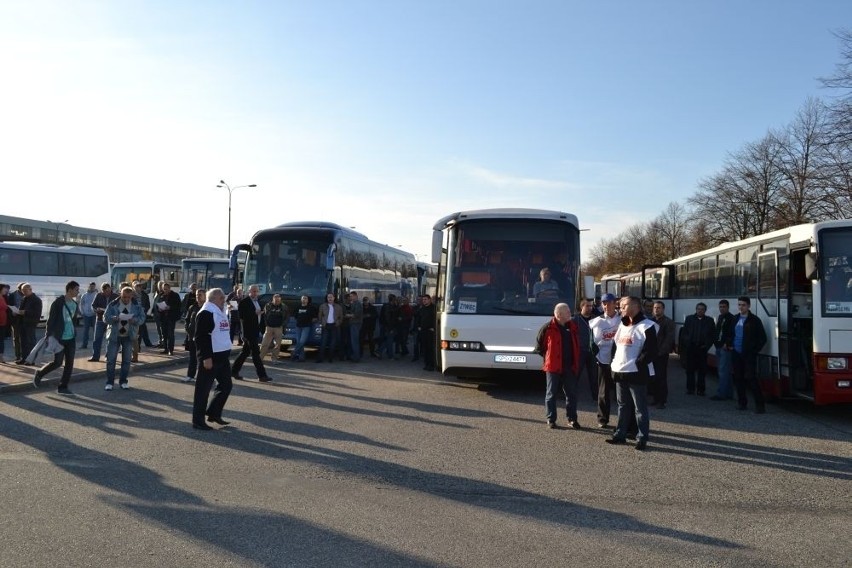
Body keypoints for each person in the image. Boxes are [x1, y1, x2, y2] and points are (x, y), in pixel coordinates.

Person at [605, 296, 657, 451]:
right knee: (622, 405)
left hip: (636, 373)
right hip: (620, 371)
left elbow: (651, 350)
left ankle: (642, 437)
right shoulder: (622, 324)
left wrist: (638, 363)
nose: (620, 309)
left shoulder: (647, 326)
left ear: (635, 305)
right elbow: (616, 346)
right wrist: (614, 362)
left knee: (639, 407)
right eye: (620, 306)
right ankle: (620, 434)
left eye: (623, 305)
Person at [192, 288, 234, 430]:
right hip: (211, 357)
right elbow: (201, 337)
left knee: (226, 385)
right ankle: (198, 421)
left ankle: (214, 413)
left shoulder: (219, 311)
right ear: (214, 299)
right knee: (203, 390)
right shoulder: (206, 312)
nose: (224, 301)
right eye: (222, 298)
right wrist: (205, 357)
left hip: (222, 356)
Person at [536, 303, 582, 429]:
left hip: (569, 366)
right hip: (553, 367)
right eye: (567, 312)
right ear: (559, 315)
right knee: (551, 394)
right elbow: (540, 347)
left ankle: (572, 419)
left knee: (571, 394)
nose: (570, 313)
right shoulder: (547, 328)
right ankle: (551, 419)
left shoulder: (573, 327)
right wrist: (549, 359)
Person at [32, 281, 80, 395]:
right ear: (70, 290)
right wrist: (48, 335)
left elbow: (73, 320)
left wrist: (74, 331)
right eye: (76, 290)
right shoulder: (58, 303)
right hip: (59, 337)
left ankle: (63, 387)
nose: (78, 292)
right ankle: (40, 373)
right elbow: (51, 320)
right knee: (57, 362)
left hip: (71, 338)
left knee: (70, 363)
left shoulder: (74, 304)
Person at [103, 285, 147, 390]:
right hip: (114, 335)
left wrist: (135, 320)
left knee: (127, 360)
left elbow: (142, 318)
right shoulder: (113, 304)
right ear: (120, 295)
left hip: (128, 336)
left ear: (132, 296)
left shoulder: (137, 306)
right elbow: (105, 318)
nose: (126, 299)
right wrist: (113, 318)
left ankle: (123, 381)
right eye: (124, 297)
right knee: (111, 360)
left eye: (128, 297)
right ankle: (110, 382)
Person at [732, 296, 768, 413]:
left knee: (751, 378)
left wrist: (754, 350)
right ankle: (742, 403)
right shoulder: (735, 318)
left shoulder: (754, 320)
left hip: (748, 354)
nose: (741, 307)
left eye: (743, 305)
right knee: (738, 378)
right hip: (736, 353)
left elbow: (762, 338)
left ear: (748, 306)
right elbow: (730, 333)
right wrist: (728, 344)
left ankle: (760, 405)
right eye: (739, 305)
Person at [589, 293, 621, 428]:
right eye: (604, 303)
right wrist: (596, 356)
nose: (607, 306)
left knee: (621, 394)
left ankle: (624, 422)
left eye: (609, 303)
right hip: (603, 360)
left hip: (620, 361)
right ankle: (603, 419)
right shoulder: (597, 321)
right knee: (603, 392)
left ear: (615, 303)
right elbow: (591, 343)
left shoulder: (623, 319)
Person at [232, 284, 271, 381]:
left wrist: (262, 327)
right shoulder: (244, 302)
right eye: (253, 291)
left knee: (245, 352)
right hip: (248, 332)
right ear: (249, 291)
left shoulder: (258, 302)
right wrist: (254, 314)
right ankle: (262, 375)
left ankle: (233, 371)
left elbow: (260, 317)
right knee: (255, 353)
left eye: (257, 291)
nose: (255, 293)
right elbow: (241, 317)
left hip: (255, 330)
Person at [681, 302, 716, 396]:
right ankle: (690, 389)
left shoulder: (709, 320)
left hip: (702, 348)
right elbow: (684, 332)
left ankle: (701, 390)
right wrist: (687, 342)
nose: (700, 311)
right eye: (698, 309)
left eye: (702, 309)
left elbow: (713, 335)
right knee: (690, 369)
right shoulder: (689, 319)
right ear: (696, 309)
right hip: (691, 347)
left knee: (702, 370)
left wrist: (707, 345)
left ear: (705, 311)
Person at [710, 299, 737, 401]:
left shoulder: (732, 318)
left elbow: (732, 333)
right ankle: (728, 393)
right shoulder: (720, 317)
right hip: (719, 346)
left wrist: (727, 344)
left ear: (728, 307)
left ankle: (721, 394)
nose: (722, 309)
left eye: (724, 307)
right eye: (720, 307)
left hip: (725, 348)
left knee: (723, 371)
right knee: (726, 372)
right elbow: (717, 331)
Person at [651, 301, 675, 409]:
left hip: (661, 355)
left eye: (659, 308)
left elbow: (668, 340)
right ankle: (655, 399)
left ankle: (662, 400)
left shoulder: (668, 322)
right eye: (655, 307)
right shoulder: (649, 322)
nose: (657, 309)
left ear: (663, 309)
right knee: (653, 377)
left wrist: (660, 352)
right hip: (651, 354)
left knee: (661, 377)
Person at [573, 299, 597, 401]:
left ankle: (596, 396)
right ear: (581, 307)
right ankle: (571, 394)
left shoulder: (596, 319)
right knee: (576, 373)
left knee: (594, 375)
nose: (590, 308)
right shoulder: (575, 320)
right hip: (580, 350)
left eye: (591, 306)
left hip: (592, 351)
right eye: (587, 306)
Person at [89, 282, 117, 362]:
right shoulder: (98, 295)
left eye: (109, 290)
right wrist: (96, 309)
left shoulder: (115, 296)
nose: (108, 293)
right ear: (102, 291)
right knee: (97, 339)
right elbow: (93, 305)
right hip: (100, 319)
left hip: (110, 320)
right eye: (106, 291)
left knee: (109, 339)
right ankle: (95, 356)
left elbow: (118, 307)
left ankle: (108, 356)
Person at [183, 288, 206, 383]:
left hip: (203, 338)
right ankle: (190, 375)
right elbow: (187, 320)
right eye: (197, 295)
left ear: (205, 296)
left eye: (200, 294)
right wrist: (188, 330)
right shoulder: (192, 307)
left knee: (203, 358)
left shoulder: (208, 307)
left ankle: (205, 377)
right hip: (192, 336)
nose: (198, 296)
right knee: (192, 357)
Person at [16, 283, 42, 366]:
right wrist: (17, 312)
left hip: (30, 323)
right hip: (22, 322)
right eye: (22, 291)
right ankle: (24, 359)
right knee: (23, 342)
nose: (24, 292)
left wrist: (25, 312)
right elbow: (21, 309)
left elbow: (37, 313)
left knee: (30, 342)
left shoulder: (36, 300)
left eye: (25, 291)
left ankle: (32, 360)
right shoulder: (24, 298)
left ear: (30, 290)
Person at [259, 293, 289, 363]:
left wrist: (282, 325)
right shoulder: (268, 305)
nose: (277, 301)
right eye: (275, 300)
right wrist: (266, 324)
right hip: (269, 327)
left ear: (280, 300)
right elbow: (265, 316)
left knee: (277, 345)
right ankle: (260, 358)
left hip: (278, 328)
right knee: (264, 344)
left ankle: (274, 359)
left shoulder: (284, 307)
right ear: (273, 299)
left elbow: (287, 317)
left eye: (278, 300)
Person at [155, 283, 182, 355]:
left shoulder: (175, 295)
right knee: (164, 334)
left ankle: (171, 350)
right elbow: (157, 305)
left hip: (171, 317)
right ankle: (165, 349)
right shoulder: (161, 295)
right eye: (164, 289)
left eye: (166, 289)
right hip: (163, 317)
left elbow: (178, 306)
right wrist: (159, 309)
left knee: (170, 334)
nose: (165, 290)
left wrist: (170, 307)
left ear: (169, 288)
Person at [317, 293, 341, 363]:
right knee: (323, 342)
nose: (330, 299)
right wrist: (322, 323)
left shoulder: (338, 307)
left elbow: (341, 317)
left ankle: (330, 358)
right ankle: (320, 358)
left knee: (332, 343)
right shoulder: (322, 306)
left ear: (334, 298)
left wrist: (338, 323)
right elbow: (320, 315)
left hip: (334, 326)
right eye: (328, 297)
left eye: (331, 297)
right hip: (326, 326)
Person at [291, 295, 316, 362]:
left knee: (302, 341)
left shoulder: (311, 308)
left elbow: (314, 317)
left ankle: (294, 353)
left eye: (305, 298)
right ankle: (301, 358)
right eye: (303, 298)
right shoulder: (298, 307)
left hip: (306, 326)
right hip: (298, 326)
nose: (304, 300)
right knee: (299, 342)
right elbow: (295, 315)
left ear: (308, 300)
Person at [418, 295, 437, 371]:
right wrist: (418, 326)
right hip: (423, 331)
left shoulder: (434, 308)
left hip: (430, 331)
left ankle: (431, 365)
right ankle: (426, 364)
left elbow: (435, 319)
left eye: (425, 299)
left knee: (430, 349)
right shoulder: (422, 308)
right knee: (425, 348)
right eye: (423, 300)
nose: (424, 301)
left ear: (429, 300)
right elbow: (419, 318)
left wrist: (433, 327)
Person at [379, 294, 399, 360]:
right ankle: (388, 355)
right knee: (389, 341)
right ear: (393, 300)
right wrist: (390, 328)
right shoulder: (389, 306)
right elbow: (388, 318)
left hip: (389, 326)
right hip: (390, 326)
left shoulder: (390, 306)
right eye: (395, 299)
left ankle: (380, 351)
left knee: (389, 340)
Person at [78, 282, 98, 349]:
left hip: (94, 315)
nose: (92, 287)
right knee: (85, 331)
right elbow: (81, 304)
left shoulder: (96, 295)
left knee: (96, 331)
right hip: (86, 315)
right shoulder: (84, 295)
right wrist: (82, 313)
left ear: (95, 287)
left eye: (93, 286)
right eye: (91, 286)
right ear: (89, 286)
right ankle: (84, 345)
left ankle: (96, 345)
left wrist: (96, 312)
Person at [347, 291, 363, 362]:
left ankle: (356, 357)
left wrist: (348, 315)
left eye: (351, 296)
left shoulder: (358, 304)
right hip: (353, 323)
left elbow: (356, 314)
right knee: (353, 341)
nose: (350, 298)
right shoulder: (354, 303)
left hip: (355, 324)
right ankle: (354, 356)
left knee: (355, 341)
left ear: (355, 296)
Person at [0, 283, 9, 363]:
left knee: (1, 340)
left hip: (3, 323)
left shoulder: (3, 297)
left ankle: (1, 357)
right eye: (4, 289)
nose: (6, 290)